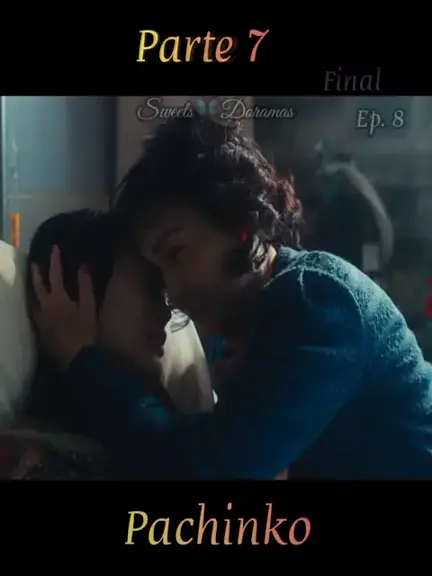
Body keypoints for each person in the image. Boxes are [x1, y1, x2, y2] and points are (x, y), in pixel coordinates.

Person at [31, 115, 432, 479]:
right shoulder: (244, 327)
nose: (173, 293)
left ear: (240, 224)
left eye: (177, 254)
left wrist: (81, 360)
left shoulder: (315, 300)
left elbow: (214, 467)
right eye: (157, 274)